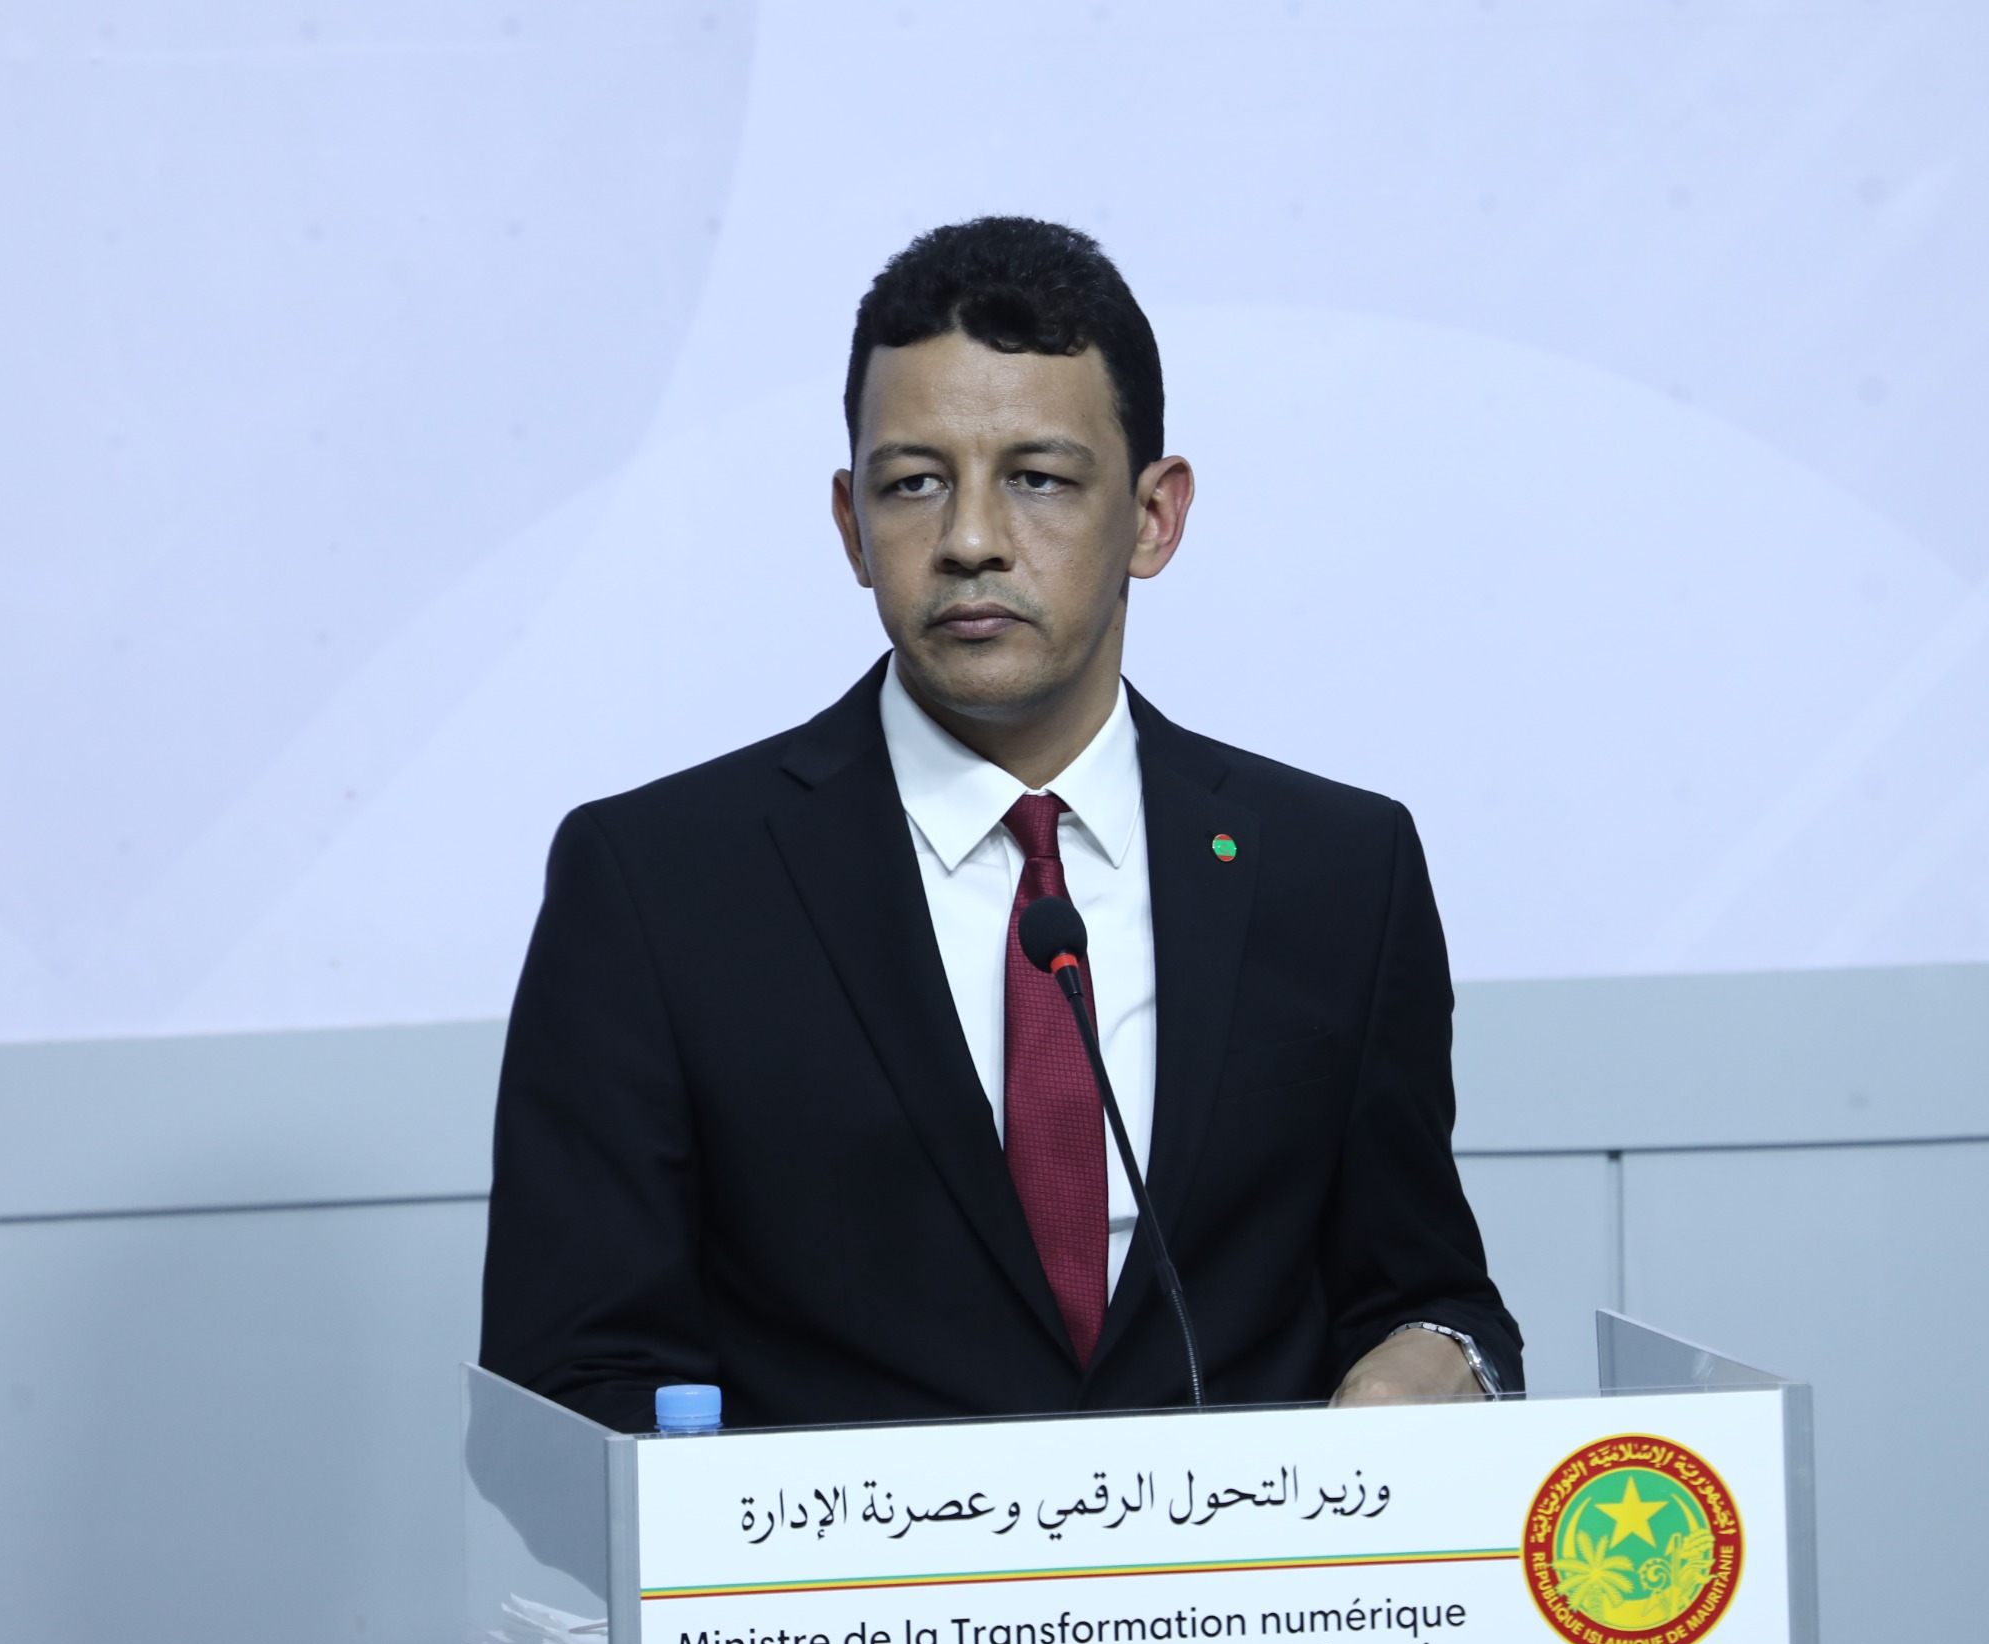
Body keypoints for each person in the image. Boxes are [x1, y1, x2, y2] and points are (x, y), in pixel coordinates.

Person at [479, 216, 1519, 1431]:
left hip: (1244, 1561)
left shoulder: (1337, 870)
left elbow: (1424, 1292)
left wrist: (1433, 1358)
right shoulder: (658, 884)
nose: (970, 540)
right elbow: (570, 1381)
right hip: (846, 1562)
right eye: (914, 483)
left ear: (1153, 517)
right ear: (850, 525)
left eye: (1038, 477)